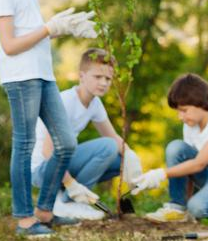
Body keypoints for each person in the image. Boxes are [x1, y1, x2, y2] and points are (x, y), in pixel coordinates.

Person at [0, 0, 97, 237]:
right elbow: (9, 45)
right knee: (24, 145)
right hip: (21, 77)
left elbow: (32, 31)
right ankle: (24, 219)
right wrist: (50, 28)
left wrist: (64, 27)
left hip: (43, 73)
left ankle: (45, 211)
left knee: (66, 142)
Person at [31, 48, 143, 220]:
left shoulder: (95, 104)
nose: (104, 83)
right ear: (81, 76)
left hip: (62, 164)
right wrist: (71, 184)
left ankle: (63, 200)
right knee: (108, 147)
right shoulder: (66, 101)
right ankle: (70, 202)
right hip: (42, 169)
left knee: (120, 161)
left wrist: (131, 157)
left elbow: (113, 136)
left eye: (108, 78)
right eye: (98, 77)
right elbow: (47, 151)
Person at [132, 73, 208, 230]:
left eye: (184, 110)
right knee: (176, 148)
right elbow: (187, 165)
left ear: (200, 103)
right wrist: (184, 204)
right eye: (178, 111)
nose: (180, 116)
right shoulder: (190, 124)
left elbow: (199, 164)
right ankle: (177, 208)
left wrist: (160, 174)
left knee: (197, 207)